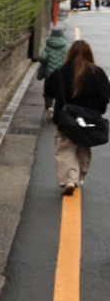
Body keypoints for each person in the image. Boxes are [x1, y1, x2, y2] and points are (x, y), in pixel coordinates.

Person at [44, 40, 110, 195]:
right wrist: (96, 110)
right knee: (83, 147)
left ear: (70, 53)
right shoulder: (97, 73)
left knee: (65, 149)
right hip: (89, 119)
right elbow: (105, 96)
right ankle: (79, 177)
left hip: (66, 118)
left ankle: (69, 179)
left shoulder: (61, 72)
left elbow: (50, 91)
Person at [36, 27, 69, 115]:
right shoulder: (67, 46)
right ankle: (59, 111)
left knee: (48, 93)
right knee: (61, 93)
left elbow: (42, 58)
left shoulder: (49, 46)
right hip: (63, 75)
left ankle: (49, 108)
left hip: (50, 75)